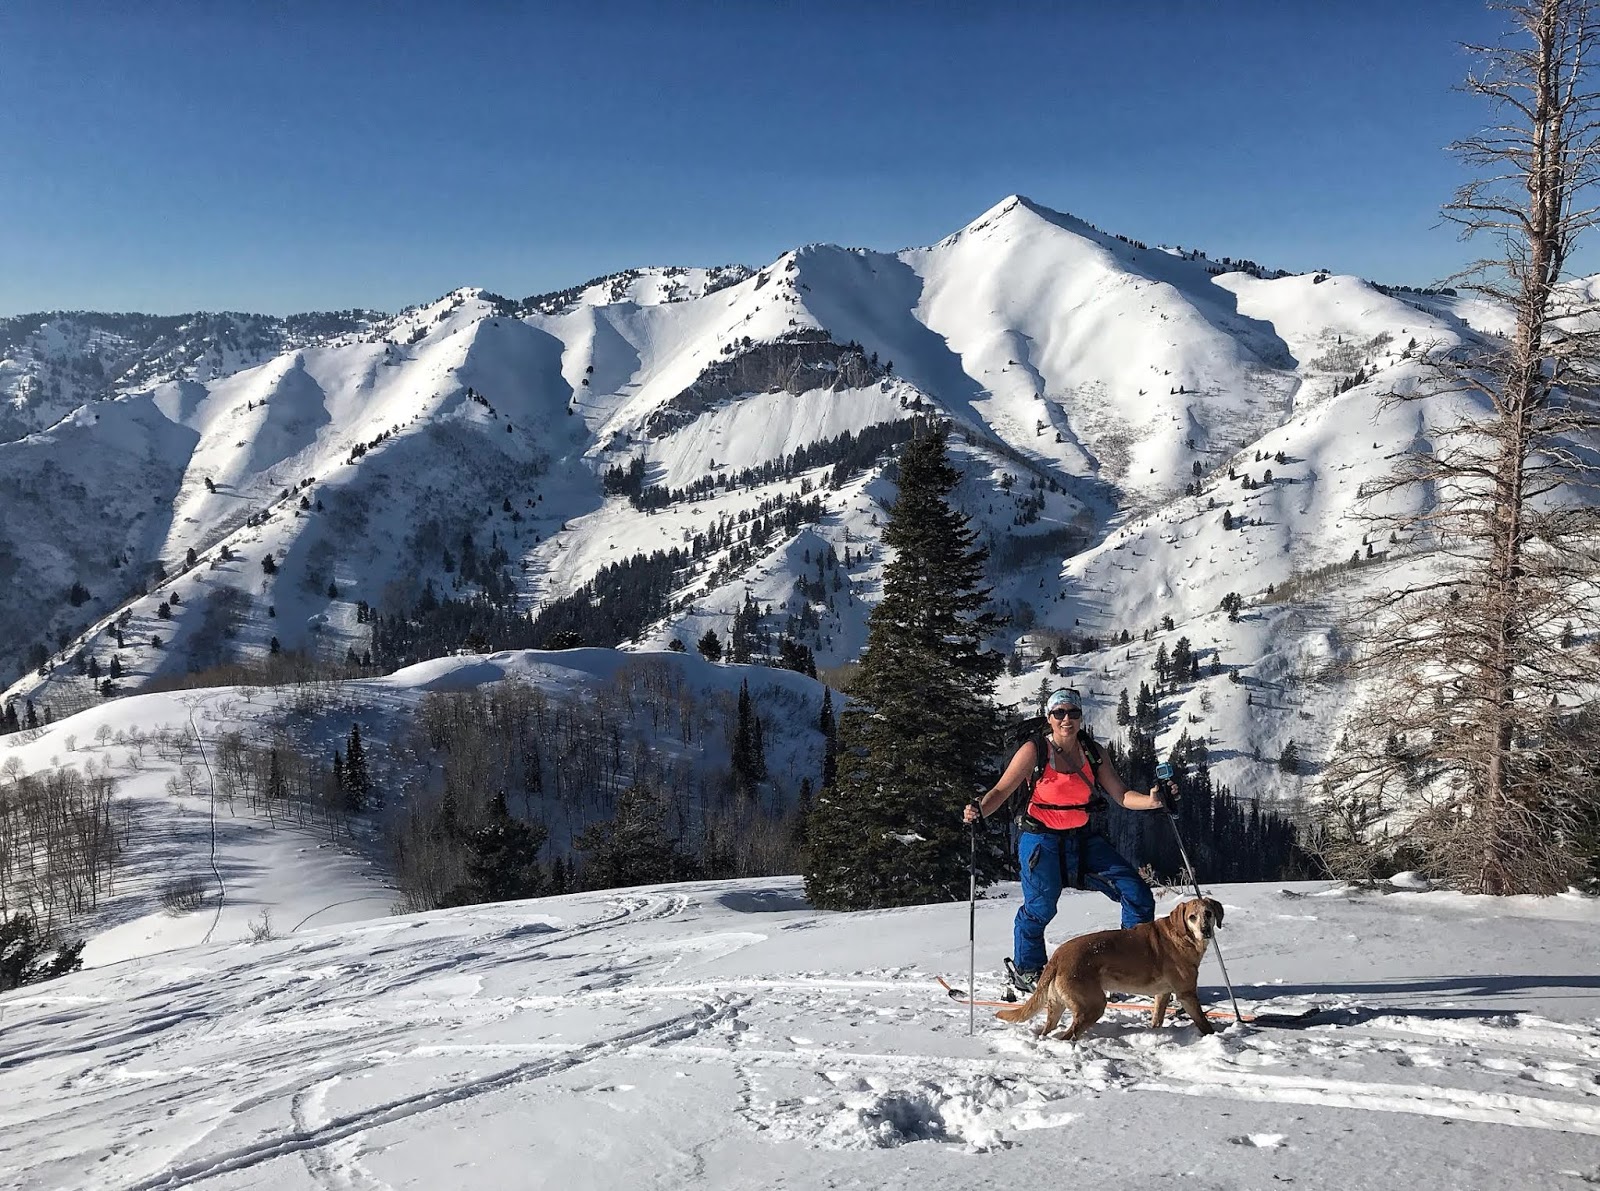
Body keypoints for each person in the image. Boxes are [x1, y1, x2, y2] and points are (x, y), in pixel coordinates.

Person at [963, 686, 1167, 994]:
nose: (1066, 719)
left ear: (1081, 716)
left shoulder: (1092, 753)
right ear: (1049, 717)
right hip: (1040, 839)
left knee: (1136, 893)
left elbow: (1122, 795)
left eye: (1072, 712)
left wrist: (1152, 802)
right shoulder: (1034, 751)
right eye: (1059, 713)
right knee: (1040, 907)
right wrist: (979, 809)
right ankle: (1028, 970)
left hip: (1082, 839)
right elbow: (1002, 791)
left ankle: (1131, 969)